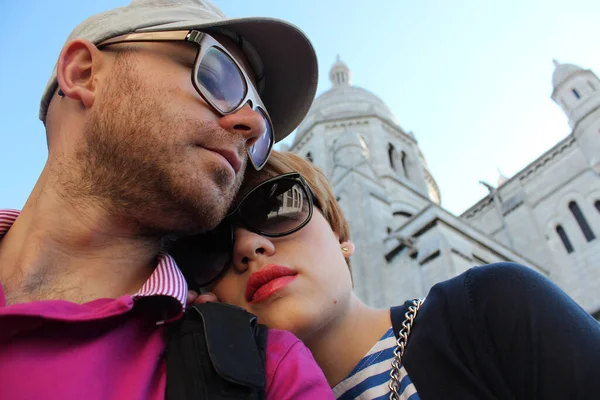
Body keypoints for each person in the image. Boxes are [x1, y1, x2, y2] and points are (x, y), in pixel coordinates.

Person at [0, 1, 335, 399]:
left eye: (262, 129)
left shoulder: (267, 371)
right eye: (215, 76)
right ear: (84, 73)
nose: (254, 126)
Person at [188, 150, 600, 399]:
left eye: (277, 206)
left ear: (338, 231)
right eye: (210, 245)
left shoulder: (492, 307)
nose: (249, 246)